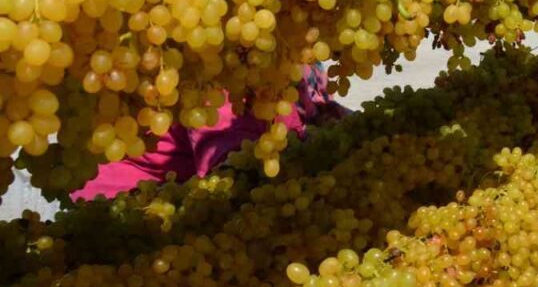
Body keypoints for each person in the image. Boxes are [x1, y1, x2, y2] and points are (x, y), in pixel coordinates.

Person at [73, 65, 347, 201]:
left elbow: (307, 101)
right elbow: (241, 180)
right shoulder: (227, 69)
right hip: (135, 224)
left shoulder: (288, 31)